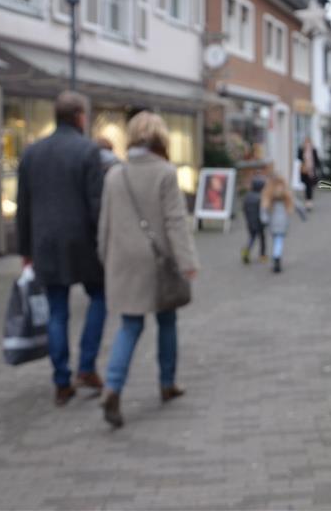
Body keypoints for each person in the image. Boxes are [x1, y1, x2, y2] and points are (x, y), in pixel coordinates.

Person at [97, 111, 199, 428]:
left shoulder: (114, 175)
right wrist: (187, 261)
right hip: (158, 262)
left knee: (130, 326)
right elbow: (175, 221)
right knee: (167, 321)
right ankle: (167, 383)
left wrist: (104, 256)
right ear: (160, 138)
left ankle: (113, 387)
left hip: (123, 261)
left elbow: (105, 224)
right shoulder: (165, 173)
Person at [16, 91, 106, 406]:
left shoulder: (32, 153)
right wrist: (105, 242)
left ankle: (61, 381)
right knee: (100, 296)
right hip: (83, 243)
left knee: (57, 311)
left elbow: (23, 206)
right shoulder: (88, 151)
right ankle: (87, 366)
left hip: (45, 244)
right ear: (80, 116)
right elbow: (97, 205)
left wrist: (25, 250)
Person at [261, 174, 304, 273]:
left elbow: (263, 209)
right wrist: (303, 216)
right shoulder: (287, 195)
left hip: (273, 222)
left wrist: (264, 220)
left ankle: (276, 256)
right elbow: (298, 205)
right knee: (279, 240)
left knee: (276, 239)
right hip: (283, 221)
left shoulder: (268, 195)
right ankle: (277, 256)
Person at [241, 175, 267, 264]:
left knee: (252, 237)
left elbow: (244, 209)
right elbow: (263, 211)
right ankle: (262, 255)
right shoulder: (261, 197)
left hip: (250, 222)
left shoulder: (247, 196)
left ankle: (247, 250)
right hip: (259, 223)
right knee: (262, 239)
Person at [297, 137, 321, 211]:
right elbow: (299, 158)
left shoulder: (313, 150)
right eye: (306, 143)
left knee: (309, 187)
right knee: (307, 187)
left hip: (311, 172)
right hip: (304, 171)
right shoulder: (301, 150)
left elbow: (317, 160)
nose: (307, 144)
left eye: (309, 143)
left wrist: (316, 168)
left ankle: (309, 202)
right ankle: (308, 201)